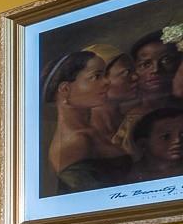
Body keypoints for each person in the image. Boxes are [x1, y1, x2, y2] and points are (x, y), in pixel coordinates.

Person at [43, 48, 130, 191]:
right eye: (96, 76)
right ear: (65, 89)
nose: (106, 82)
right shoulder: (76, 141)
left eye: (105, 75)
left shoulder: (88, 132)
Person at [127, 105, 183, 183]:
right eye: (166, 137)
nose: (177, 140)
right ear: (143, 144)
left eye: (182, 135)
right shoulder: (132, 175)